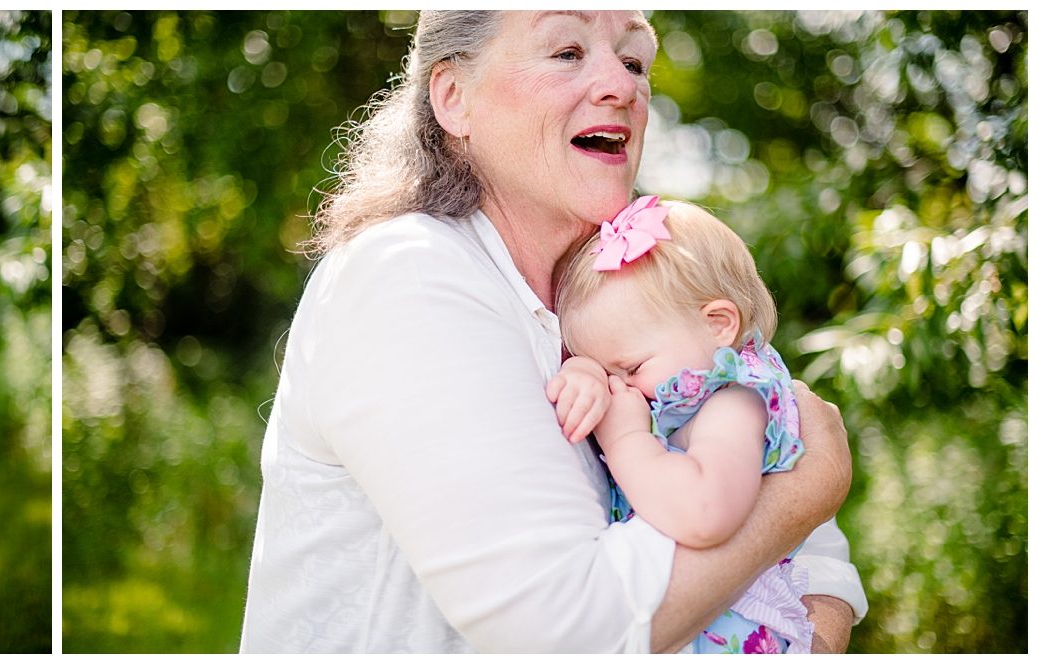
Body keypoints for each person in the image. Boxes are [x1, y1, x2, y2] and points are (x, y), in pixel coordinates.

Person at [239, 11, 865, 653]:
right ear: (454, 97)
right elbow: (565, 631)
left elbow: (813, 560)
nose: (622, 87)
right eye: (567, 52)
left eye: (634, 62)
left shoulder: (637, 294)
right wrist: (805, 494)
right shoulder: (409, 274)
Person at [550, 197, 817, 653]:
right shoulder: (677, 389)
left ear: (718, 324)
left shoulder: (736, 402)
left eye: (631, 369)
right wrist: (585, 374)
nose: (621, 390)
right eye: (606, 369)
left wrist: (626, 437)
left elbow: (704, 512)